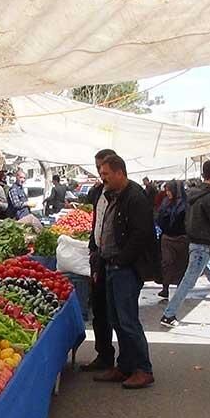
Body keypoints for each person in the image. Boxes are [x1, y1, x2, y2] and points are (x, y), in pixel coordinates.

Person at [91, 154, 157, 388]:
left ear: (120, 173)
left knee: (128, 320)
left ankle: (143, 369)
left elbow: (141, 235)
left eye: (106, 174)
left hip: (125, 269)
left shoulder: (135, 197)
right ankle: (125, 366)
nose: (103, 178)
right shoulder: (114, 194)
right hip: (111, 265)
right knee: (116, 319)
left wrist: (121, 260)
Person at [160, 161, 210, 327]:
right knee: (188, 282)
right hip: (201, 248)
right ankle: (168, 315)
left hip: (195, 245)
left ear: (203, 174)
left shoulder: (192, 194)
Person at [84, 149, 118, 372]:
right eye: (98, 169)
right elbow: (96, 221)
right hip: (99, 256)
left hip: (116, 260)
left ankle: (130, 364)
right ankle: (104, 354)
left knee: (118, 314)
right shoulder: (98, 192)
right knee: (99, 309)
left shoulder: (125, 193)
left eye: (104, 170)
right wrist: (93, 249)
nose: (100, 174)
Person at [154, 180, 188, 301]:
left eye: (169, 190)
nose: (167, 193)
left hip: (182, 238)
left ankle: (180, 288)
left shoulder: (185, 204)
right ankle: (165, 288)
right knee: (167, 263)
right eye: (166, 190)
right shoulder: (165, 202)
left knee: (181, 265)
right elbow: (159, 216)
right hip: (167, 238)